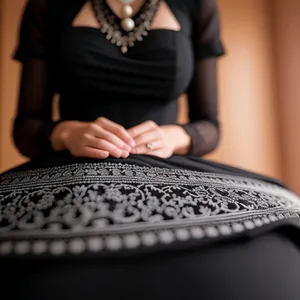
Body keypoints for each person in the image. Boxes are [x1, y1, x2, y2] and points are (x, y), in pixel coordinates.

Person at [1, 0, 300, 299]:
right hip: (72, 168)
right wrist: (66, 132)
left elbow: (209, 126)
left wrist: (176, 136)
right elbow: (26, 129)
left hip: (169, 162)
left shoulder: (198, 5)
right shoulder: (44, 5)